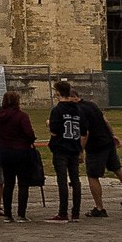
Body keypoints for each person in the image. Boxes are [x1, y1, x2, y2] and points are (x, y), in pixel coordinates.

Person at [0, 90, 37, 223]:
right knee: (22, 184)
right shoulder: (22, 116)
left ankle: (8, 214)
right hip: (21, 151)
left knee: (8, 183)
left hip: (5, 151)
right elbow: (29, 134)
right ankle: (21, 214)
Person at [78, 95, 122, 213]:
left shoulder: (79, 110)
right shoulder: (92, 104)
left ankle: (99, 208)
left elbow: (85, 133)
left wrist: (80, 150)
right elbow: (105, 120)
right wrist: (112, 135)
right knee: (117, 168)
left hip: (96, 145)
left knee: (93, 175)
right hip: (107, 141)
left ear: (72, 98)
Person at [46, 82, 89, 222]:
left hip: (61, 147)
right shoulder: (78, 109)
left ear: (58, 93)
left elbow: (54, 131)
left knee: (62, 180)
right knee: (75, 180)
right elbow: (84, 132)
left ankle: (63, 211)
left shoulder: (57, 110)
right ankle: (75, 212)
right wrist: (80, 149)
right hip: (74, 146)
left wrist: (49, 125)